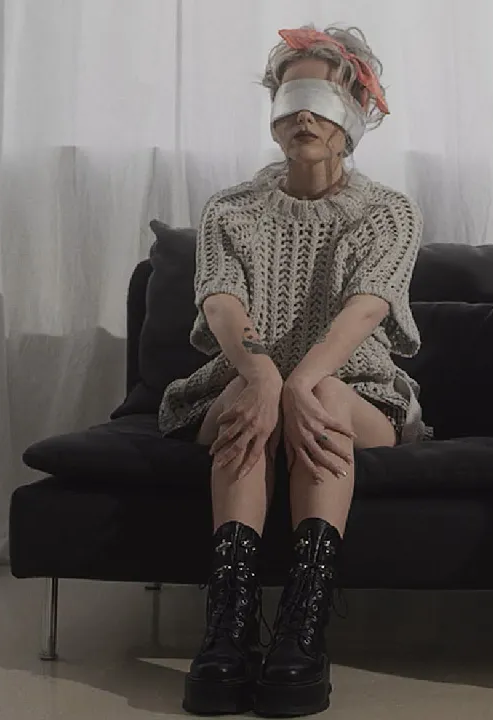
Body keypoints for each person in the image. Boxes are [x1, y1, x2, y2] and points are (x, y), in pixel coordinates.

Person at [158, 25, 429, 717]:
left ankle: (301, 631)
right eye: (291, 98)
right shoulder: (229, 210)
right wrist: (264, 378)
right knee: (251, 404)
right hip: (244, 386)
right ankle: (228, 629)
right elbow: (221, 301)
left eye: (323, 100)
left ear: (357, 114)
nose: (304, 115)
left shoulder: (390, 212)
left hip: (355, 394)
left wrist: (301, 382)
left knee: (323, 396)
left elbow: (368, 307)